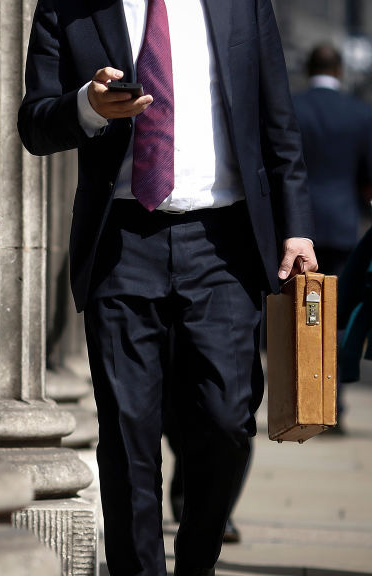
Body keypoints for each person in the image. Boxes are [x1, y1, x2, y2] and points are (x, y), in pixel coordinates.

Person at [18, 1, 318, 575]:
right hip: (122, 241)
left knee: (227, 418)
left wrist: (296, 226)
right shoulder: (70, 5)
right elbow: (34, 123)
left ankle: (198, 559)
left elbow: (277, 119)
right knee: (129, 431)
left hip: (222, 242)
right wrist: (87, 106)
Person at [293, 44, 372, 277]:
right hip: (343, 222)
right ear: (340, 70)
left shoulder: (292, 106)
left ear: (308, 69)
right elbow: (368, 174)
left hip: (299, 222)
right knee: (337, 300)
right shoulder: (361, 112)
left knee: (302, 303)